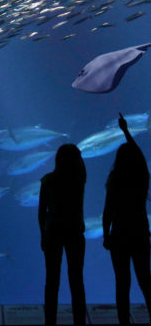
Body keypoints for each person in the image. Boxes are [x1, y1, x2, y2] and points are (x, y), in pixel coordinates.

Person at [103, 112, 151, 324]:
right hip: (140, 234)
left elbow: (107, 211)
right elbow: (140, 158)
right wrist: (126, 132)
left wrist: (106, 235)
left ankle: (124, 321)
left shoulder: (114, 183)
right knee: (145, 279)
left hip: (119, 237)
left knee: (122, 283)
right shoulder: (141, 179)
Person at [38, 143, 87, 325]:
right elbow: (82, 168)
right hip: (75, 231)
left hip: (52, 233)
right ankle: (79, 321)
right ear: (77, 160)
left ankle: (50, 321)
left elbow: (41, 212)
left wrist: (42, 234)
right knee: (77, 280)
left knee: (51, 281)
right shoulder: (79, 180)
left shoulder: (48, 180)